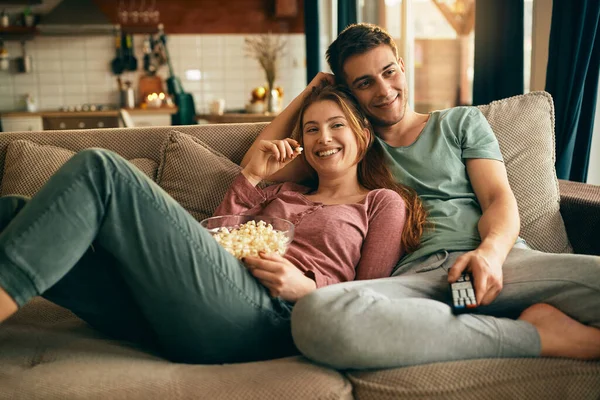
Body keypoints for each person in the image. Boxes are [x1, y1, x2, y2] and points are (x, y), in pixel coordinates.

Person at [241, 23, 600, 369]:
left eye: (389, 71)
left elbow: (497, 199)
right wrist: (314, 93)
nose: (383, 90)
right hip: (410, 282)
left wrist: (489, 255)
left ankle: (459, 329)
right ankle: (535, 336)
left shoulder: (460, 122)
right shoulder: (349, 145)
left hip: (497, 262)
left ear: (401, 63)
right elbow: (260, 166)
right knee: (316, 317)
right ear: (350, 93)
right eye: (365, 83)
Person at [0, 83, 426, 365]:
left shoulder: (381, 203)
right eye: (311, 129)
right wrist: (253, 176)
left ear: (363, 137)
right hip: (187, 307)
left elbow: (375, 296)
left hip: (267, 320)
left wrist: (309, 291)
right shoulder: (282, 193)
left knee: (100, 169)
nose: (323, 138)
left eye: (337, 126)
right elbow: (220, 232)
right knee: (13, 210)